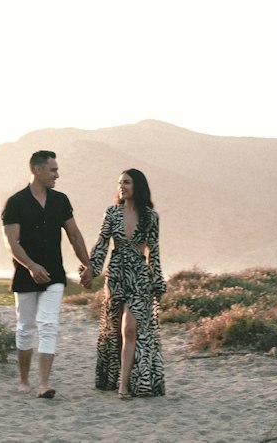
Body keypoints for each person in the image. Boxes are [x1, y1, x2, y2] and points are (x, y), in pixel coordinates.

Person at [1, 149, 93, 399]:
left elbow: (74, 235)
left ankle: (43, 383)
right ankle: (23, 379)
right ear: (37, 170)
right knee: (25, 328)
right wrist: (31, 266)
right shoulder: (16, 202)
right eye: (53, 170)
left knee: (49, 324)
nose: (57, 175)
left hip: (54, 275)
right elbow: (12, 242)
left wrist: (88, 265)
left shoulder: (61, 200)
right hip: (25, 276)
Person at [88, 167, 166, 398]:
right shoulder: (111, 213)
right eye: (120, 182)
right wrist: (90, 270)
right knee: (115, 331)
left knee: (130, 328)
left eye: (127, 182)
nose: (122, 186)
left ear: (137, 186)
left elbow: (155, 252)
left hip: (140, 276)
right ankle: (120, 378)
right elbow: (102, 244)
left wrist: (158, 280)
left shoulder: (151, 216)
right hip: (116, 274)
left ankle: (124, 385)